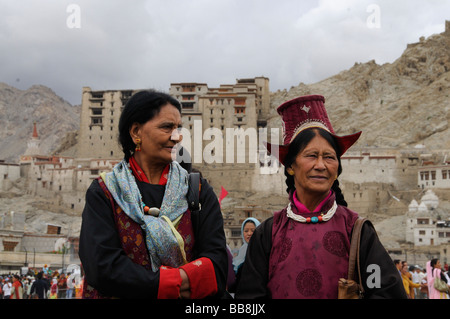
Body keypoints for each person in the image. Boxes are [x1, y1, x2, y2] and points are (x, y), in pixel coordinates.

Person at [235, 95, 407, 299]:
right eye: (311, 155)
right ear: (290, 166)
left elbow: (386, 292)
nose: (321, 165)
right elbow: (249, 299)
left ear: (337, 168)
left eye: (329, 157)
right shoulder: (267, 234)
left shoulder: (357, 232)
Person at [79, 90, 227, 299]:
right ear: (136, 132)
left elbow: (218, 261)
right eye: (167, 127)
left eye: (178, 128)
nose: (177, 137)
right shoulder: (105, 192)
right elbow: (101, 266)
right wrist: (172, 284)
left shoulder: (197, 190)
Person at [229, 217, 260, 293]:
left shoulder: (261, 252)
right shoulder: (242, 250)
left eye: (253, 230)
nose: (249, 233)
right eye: (246, 231)